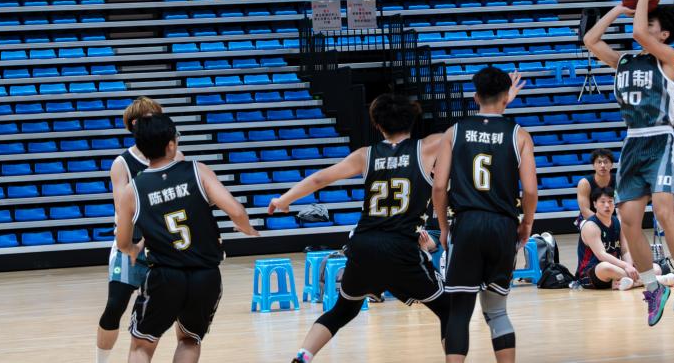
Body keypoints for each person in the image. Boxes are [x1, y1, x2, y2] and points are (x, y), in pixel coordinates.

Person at [266, 94, 452, 363]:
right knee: (449, 310)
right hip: (401, 246)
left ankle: (302, 357)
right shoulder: (427, 147)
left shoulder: (365, 155)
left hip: (363, 244)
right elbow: (460, 133)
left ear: (377, 124)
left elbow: (319, 179)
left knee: (343, 310)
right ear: (412, 119)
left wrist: (283, 199)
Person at [582, 0, 674, 326]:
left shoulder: (669, 58)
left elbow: (639, 33)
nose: (643, 26)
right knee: (629, 220)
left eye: (650, 24)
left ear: (664, 34)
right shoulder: (625, 62)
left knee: (662, 209)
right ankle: (652, 288)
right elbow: (590, 39)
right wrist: (621, 7)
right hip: (633, 141)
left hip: (661, 137)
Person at [115, 114, 259, 363]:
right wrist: (246, 228)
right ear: (171, 144)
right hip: (206, 275)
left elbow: (122, 242)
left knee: (141, 346)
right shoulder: (197, 170)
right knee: (189, 339)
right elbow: (236, 211)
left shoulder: (133, 190)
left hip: (164, 276)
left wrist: (133, 249)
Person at [433, 67, 538, 363]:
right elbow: (530, 190)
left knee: (459, 311)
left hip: (466, 223)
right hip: (503, 225)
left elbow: (439, 187)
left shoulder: (454, 132)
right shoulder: (520, 135)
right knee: (497, 311)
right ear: (506, 97)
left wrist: (444, 227)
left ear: (475, 96)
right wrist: (527, 223)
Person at [97, 97, 184, 363]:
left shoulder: (175, 156)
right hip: (132, 243)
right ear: (136, 124)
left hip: (165, 244)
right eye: (152, 118)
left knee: (181, 308)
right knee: (115, 306)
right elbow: (124, 209)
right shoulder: (121, 163)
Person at [577, 186, 674, 291]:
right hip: (591, 273)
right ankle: (652, 280)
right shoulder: (591, 226)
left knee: (656, 268)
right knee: (605, 267)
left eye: (610, 201)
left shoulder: (617, 222)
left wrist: (629, 267)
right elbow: (601, 255)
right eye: (602, 202)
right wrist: (625, 266)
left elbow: (625, 250)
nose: (607, 205)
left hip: (617, 270)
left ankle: (629, 282)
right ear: (595, 204)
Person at [576, 148, 616, 221]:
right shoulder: (584, 183)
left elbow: (624, 206)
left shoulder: (619, 181)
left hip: (614, 218)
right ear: (593, 165)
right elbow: (584, 210)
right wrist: (604, 222)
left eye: (606, 162)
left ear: (611, 165)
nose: (602, 165)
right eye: (599, 162)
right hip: (590, 218)